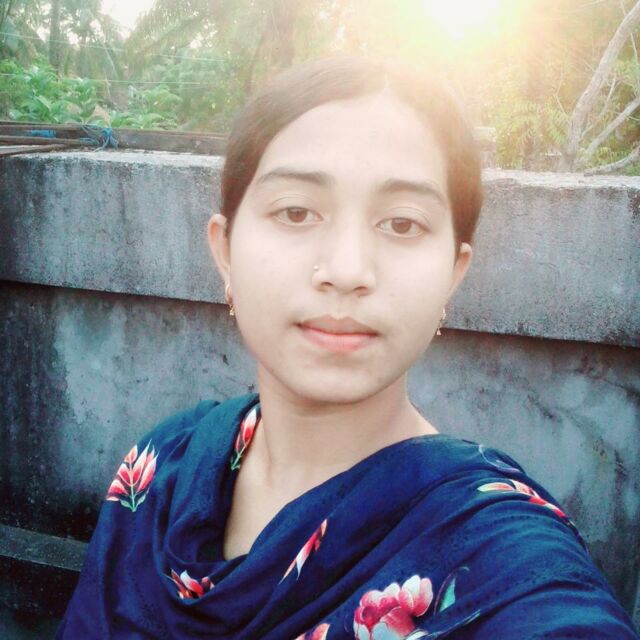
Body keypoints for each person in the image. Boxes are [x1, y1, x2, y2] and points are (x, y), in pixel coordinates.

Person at [56, 55, 638, 639]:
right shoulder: (162, 466)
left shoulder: (500, 557)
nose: (347, 270)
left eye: (403, 224)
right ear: (225, 251)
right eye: (296, 211)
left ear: (453, 274)